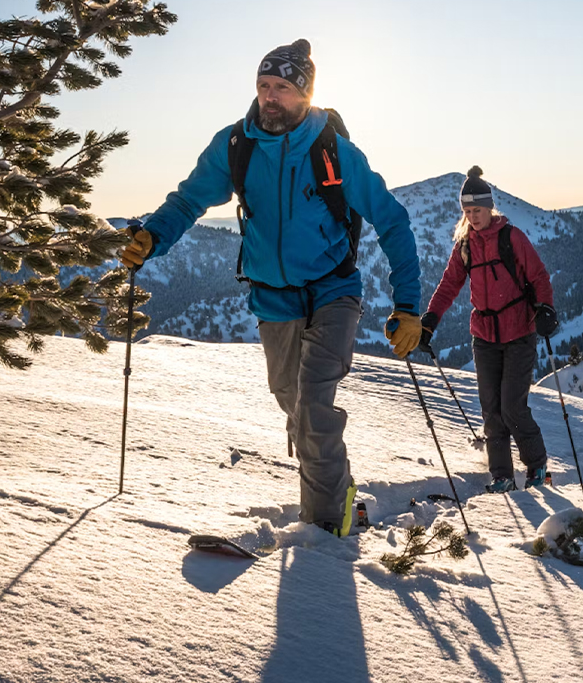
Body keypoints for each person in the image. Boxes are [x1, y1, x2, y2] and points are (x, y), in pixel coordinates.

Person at [121, 39, 422, 533]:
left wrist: (407, 305)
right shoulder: (235, 145)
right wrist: (151, 238)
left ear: (304, 93)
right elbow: (188, 201)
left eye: (282, 87)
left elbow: (392, 222)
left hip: (332, 291)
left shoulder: (332, 150)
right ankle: (343, 495)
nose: (270, 96)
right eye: (264, 86)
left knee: (312, 407)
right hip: (272, 299)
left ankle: (327, 532)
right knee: (292, 402)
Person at [419, 167, 558, 492]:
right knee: (492, 410)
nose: (472, 216)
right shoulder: (465, 245)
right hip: (484, 336)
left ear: (489, 207)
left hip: (519, 332)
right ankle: (502, 476)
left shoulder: (511, 238)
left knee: (512, 406)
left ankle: (536, 467)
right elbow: (450, 284)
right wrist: (431, 320)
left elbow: (538, 276)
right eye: (467, 212)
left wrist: (546, 309)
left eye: (477, 210)